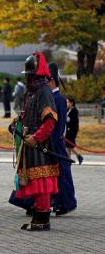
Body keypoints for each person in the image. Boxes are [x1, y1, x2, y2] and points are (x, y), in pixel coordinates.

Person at [9, 52, 60, 231]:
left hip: (40, 144)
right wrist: (18, 121)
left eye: (30, 74)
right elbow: (29, 114)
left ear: (36, 74)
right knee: (35, 184)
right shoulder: (32, 92)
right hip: (29, 142)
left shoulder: (44, 91)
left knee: (42, 183)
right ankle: (37, 217)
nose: (28, 77)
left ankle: (42, 219)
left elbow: (50, 121)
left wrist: (36, 138)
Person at [48, 63, 77, 216]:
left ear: (52, 80)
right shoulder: (52, 96)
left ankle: (64, 203)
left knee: (61, 174)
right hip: (51, 140)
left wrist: (51, 140)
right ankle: (54, 201)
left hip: (56, 141)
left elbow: (59, 125)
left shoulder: (58, 98)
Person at [65, 97, 84, 164]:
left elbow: (73, 121)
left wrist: (66, 118)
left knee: (69, 146)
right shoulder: (68, 110)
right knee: (68, 146)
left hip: (72, 131)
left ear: (71, 103)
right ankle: (70, 159)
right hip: (68, 130)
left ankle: (77, 157)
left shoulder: (75, 111)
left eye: (67, 102)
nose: (66, 103)